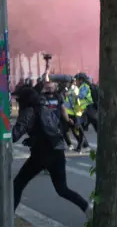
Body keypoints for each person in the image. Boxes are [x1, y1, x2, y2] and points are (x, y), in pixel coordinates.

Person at [11, 87, 92, 216]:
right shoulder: (44, 108)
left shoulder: (28, 111)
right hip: (57, 152)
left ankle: (7, 217)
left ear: (24, 100)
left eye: (18, 100)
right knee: (62, 189)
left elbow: (14, 135)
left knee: (18, 184)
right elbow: (49, 130)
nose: (16, 103)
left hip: (41, 155)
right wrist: (32, 140)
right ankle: (87, 208)